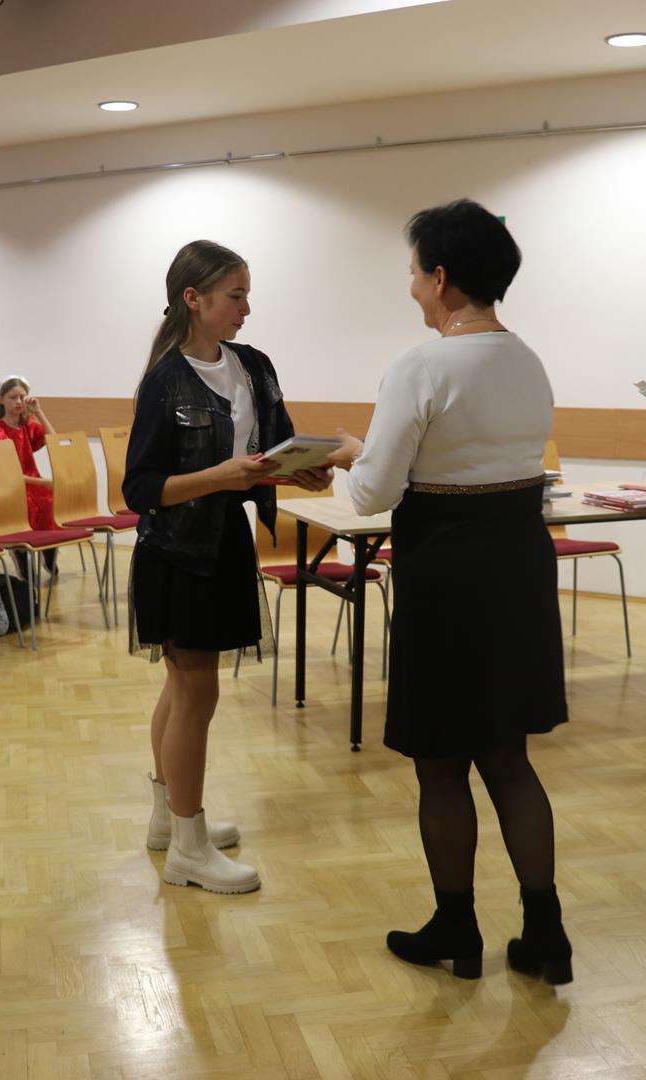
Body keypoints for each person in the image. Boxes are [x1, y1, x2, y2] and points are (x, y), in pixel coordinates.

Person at [327, 199, 572, 984]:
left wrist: (350, 456)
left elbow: (374, 493)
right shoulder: (528, 360)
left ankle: (457, 927)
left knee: (440, 761)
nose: (410, 287)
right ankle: (546, 935)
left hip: (446, 572)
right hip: (518, 565)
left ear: (440, 277)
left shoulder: (422, 366)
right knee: (509, 755)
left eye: (412, 272)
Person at [124, 239, 329, 896]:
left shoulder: (253, 366)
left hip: (226, 543)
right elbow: (141, 489)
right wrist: (221, 475)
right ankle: (189, 847)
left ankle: (170, 820)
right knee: (196, 694)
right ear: (194, 298)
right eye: (235, 295)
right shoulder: (165, 381)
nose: (246, 308)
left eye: (246, 295)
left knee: (181, 691)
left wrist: (300, 470)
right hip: (178, 552)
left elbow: (271, 450)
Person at [0, 376, 60, 576]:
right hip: (9, 484)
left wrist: (39, 412)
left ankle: (49, 547)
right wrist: (43, 482)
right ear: (1, 399)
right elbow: (7, 474)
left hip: (31, 480)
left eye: (22, 397)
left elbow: (53, 440)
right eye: (13, 397)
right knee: (31, 501)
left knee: (50, 500)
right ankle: (20, 550)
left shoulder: (28, 424)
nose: (18, 402)